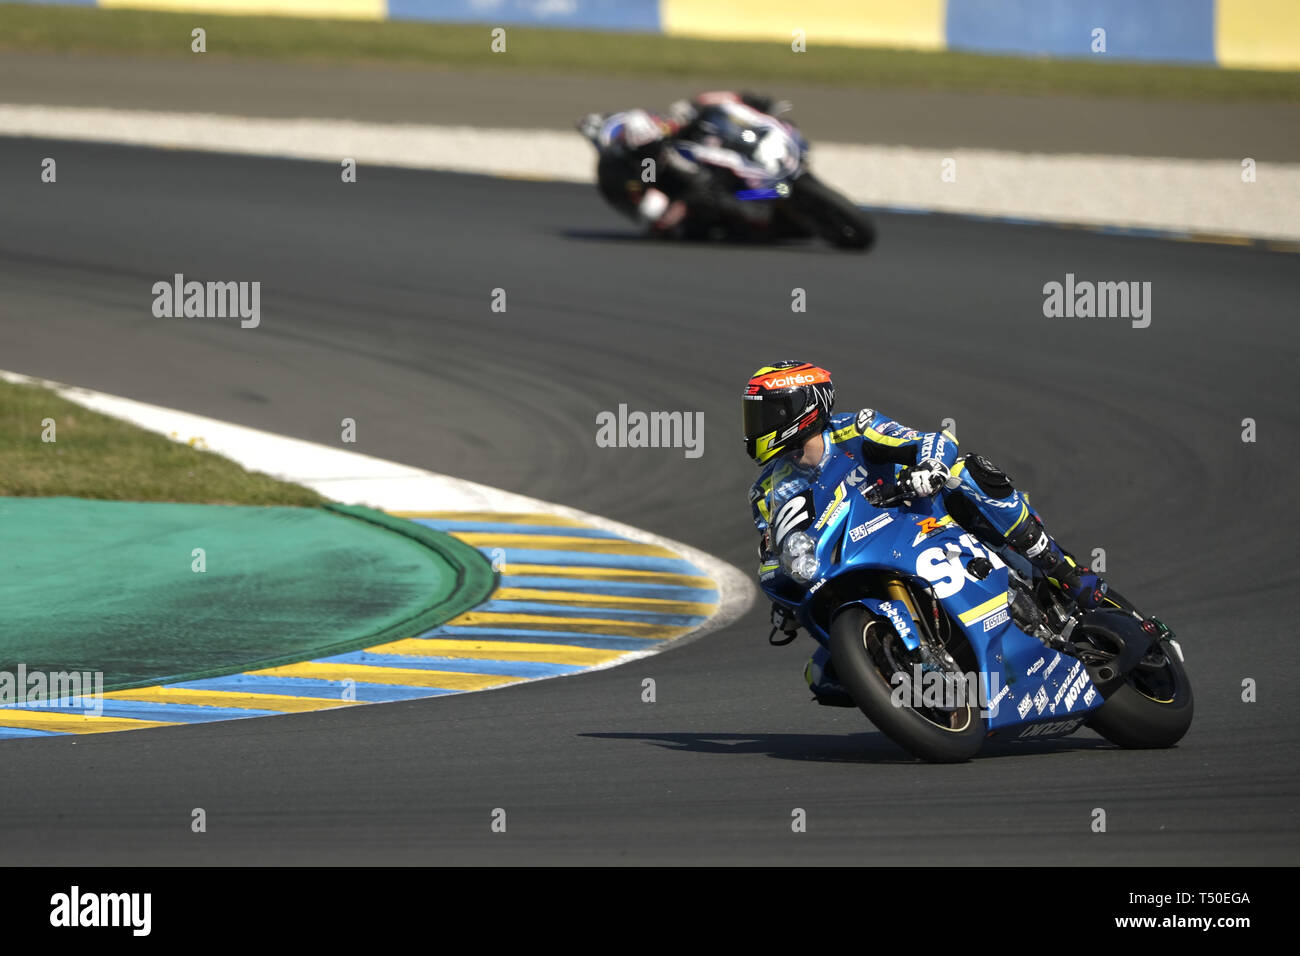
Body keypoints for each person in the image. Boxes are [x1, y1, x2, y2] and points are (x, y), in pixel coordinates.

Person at [742, 360, 1108, 705]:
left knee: (966, 473)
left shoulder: (854, 428)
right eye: (754, 415)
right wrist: (783, 600)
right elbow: (777, 548)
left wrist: (930, 466)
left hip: (916, 518)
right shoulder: (767, 491)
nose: (756, 424)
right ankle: (920, 688)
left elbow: (935, 439)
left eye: (768, 413)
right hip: (853, 560)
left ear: (804, 408)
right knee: (823, 676)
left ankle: (1062, 569)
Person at [578, 91, 788, 237]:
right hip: (671, 186)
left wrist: (685, 117)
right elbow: (636, 202)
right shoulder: (619, 168)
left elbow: (695, 106)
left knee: (717, 118)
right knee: (667, 217)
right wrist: (663, 207)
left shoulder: (653, 124)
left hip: (687, 151)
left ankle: (762, 121)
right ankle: (743, 218)